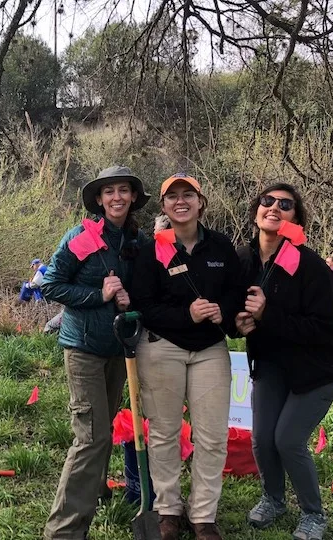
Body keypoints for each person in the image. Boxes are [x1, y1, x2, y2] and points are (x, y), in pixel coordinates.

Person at [235, 183, 333, 540]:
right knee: (261, 438)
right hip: (272, 362)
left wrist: (268, 313)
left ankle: (313, 515)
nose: (274, 208)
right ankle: (273, 499)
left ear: (295, 219)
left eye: (285, 205)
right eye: (267, 201)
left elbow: (319, 328)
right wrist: (235, 324)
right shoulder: (244, 259)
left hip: (318, 367)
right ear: (256, 210)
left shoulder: (312, 266)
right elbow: (232, 308)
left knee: (287, 439)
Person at [129, 173, 242, 540]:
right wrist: (185, 315)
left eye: (188, 195)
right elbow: (144, 305)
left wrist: (222, 311)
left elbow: (236, 296)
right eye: (172, 196)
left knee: (212, 436)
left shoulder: (222, 247)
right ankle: (168, 510)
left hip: (210, 350)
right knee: (164, 433)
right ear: (163, 206)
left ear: (200, 202)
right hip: (162, 346)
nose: (181, 201)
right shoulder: (152, 251)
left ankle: (203, 516)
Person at [42, 165, 150, 540]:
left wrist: (129, 298)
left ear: (133, 197)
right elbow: (51, 285)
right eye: (109, 192)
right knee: (90, 437)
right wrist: (98, 296)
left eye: (123, 190)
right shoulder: (82, 238)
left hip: (120, 351)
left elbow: (146, 291)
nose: (116, 197)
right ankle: (64, 531)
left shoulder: (138, 241)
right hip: (84, 348)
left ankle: (97, 488)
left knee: (102, 427)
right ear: (99, 200)